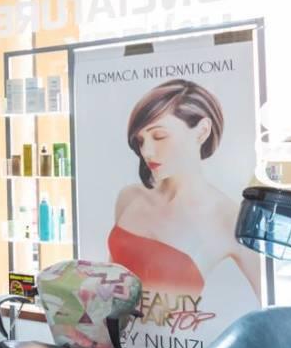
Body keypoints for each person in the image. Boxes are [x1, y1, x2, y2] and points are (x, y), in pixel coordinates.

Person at [108, 80, 258, 295]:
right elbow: (112, 283)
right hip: (117, 318)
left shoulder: (230, 219)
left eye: (159, 136)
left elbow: (271, 302)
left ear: (202, 131)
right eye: (140, 141)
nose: (146, 152)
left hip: (183, 318)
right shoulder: (130, 197)